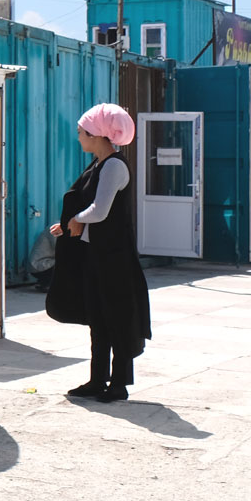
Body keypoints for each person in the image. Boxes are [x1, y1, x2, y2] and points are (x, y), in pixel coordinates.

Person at [46, 104, 152, 403]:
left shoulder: (114, 166)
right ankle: (97, 379)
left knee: (117, 319)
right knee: (98, 319)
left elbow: (100, 211)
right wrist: (67, 224)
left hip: (114, 258)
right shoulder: (97, 164)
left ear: (96, 134)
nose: (79, 138)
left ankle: (118, 384)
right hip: (97, 254)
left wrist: (77, 219)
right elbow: (88, 208)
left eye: (81, 133)